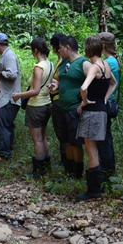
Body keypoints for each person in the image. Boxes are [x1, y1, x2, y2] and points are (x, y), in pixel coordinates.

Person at [75, 35, 117, 200]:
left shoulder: (94, 66)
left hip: (92, 112)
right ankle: (99, 186)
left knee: (91, 151)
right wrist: (104, 99)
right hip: (102, 110)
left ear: (87, 49)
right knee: (97, 149)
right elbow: (113, 83)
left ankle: (93, 190)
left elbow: (83, 87)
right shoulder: (105, 64)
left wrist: (85, 101)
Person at [47, 36, 90, 180]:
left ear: (67, 47)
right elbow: (61, 81)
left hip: (74, 109)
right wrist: (56, 85)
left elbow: (93, 83)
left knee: (75, 142)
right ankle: (69, 172)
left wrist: (84, 102)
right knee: (67, 142)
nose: (58, 50)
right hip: (62, 108)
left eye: (60, 47)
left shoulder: (83, 63)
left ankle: (77, 174)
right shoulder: (64, 63)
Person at [12, 38, 54, 177]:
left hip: (36, 105)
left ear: (35, 51)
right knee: (42, 136)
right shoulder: (51, 64)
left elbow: (35, 91)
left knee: (37, 139)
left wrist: (19, 95)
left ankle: (38, 170)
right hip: (47, 104)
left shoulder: (38, 67)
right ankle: (47, 166)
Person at [0, 32, 21, 163]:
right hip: (8, 97)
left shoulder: (9, 56)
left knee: (2, 126)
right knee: (7, 126)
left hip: (8, 98)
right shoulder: (6, 55)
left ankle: (3, 153)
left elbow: (12, 74)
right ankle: (7, 150)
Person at [97, 32, 122, 183]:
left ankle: (106, 171)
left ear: (103, 46)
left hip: (105, 103)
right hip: (108, 103)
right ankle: (108, 169)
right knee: (106, 137)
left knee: (103, 139)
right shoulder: (113, 60)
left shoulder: (109, 63)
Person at [49, 33, 67, 172]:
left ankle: (65, 160)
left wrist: (56, 84)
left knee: (61, 131)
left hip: (59, 100)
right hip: (56, 98)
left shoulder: (63, 62)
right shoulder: (60, 61)